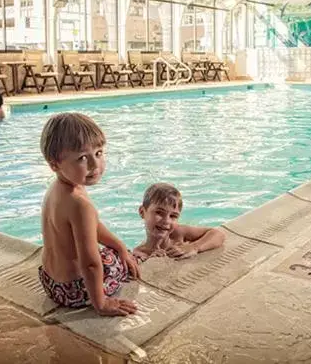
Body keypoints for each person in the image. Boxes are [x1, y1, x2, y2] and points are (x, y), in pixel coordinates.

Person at [38, 113, 139, 316]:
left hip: (49, 281)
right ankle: (96, 297)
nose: (94, 165)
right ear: (55, 164)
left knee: (118, 249)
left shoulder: (57, 188)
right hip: (74, 290)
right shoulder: (80, 204)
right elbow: (90, 264)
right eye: (83, 158)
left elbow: (93, 225)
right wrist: (101, 303)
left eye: (99, 153)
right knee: (115, 261)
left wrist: (119, 246)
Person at [132, 183, 225, 262]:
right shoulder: (139, 253)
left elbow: (218, 234)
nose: (166, 221)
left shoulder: (178, 233)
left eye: (173, 216)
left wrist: (193, 247)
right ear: (142, 212)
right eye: (159, 212)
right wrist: (152, 262)